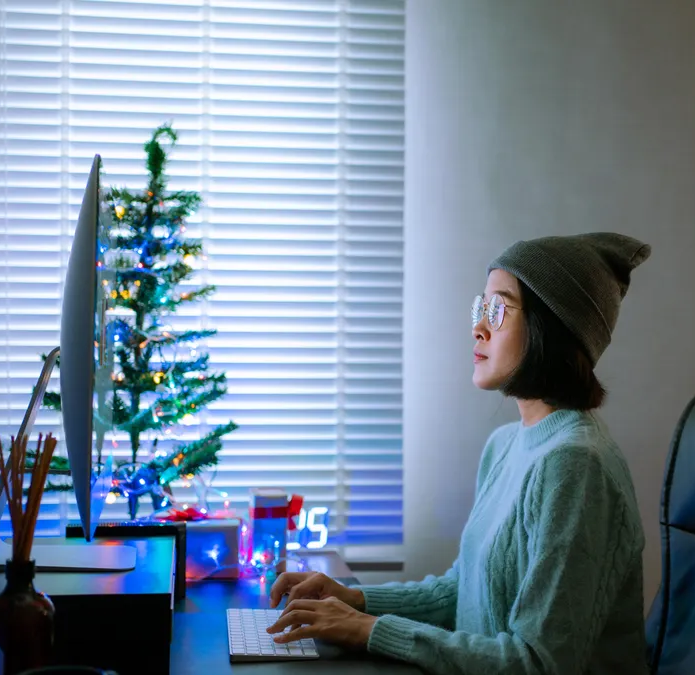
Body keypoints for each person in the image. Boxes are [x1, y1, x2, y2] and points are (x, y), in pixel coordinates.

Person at [266, 232, 653, 674]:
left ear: (554, 327)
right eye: (480, 307)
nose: (478, 326)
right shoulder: (505, 446)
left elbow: (540, 663)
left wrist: (367, 629)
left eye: (498, 309)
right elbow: (462, 590)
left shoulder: (577, 464)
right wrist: (356, 599)